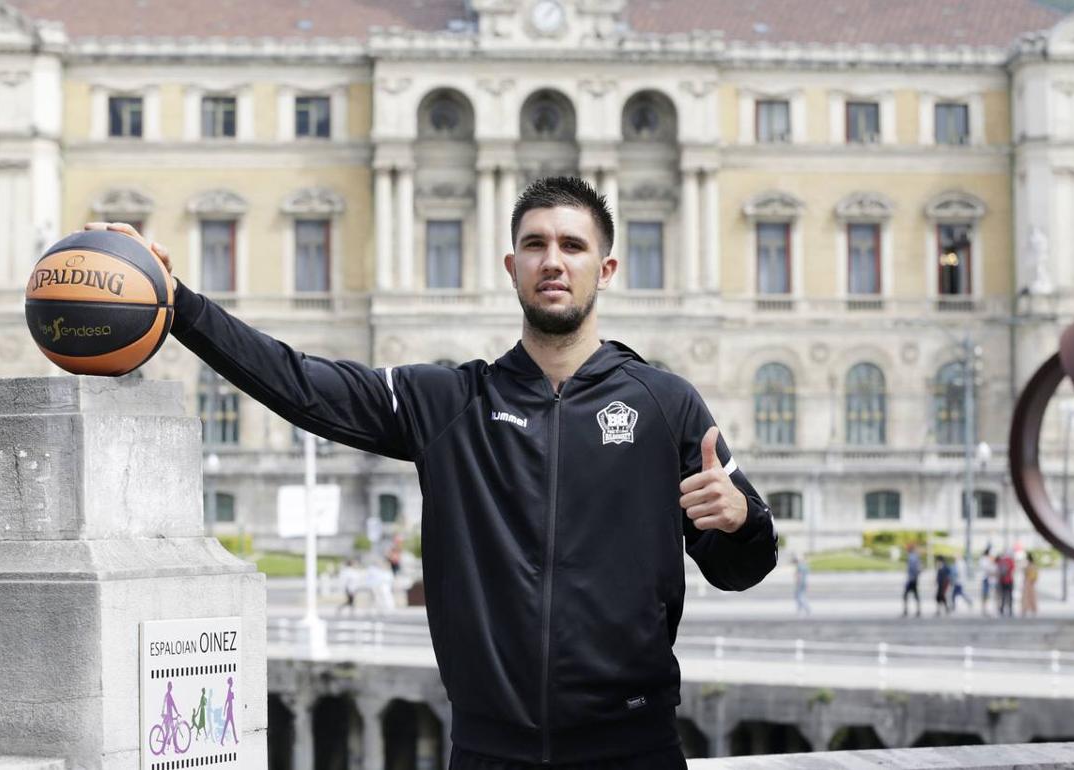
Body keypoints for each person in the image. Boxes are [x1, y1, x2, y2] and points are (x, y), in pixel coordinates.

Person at [86, 176, 778, 768]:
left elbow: (739, 567)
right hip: (488, 748)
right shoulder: (451, 402)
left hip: (634, 744)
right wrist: (177, 304)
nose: (553, 261)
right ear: (512, 267)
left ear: (607, 268)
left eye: (573, 245)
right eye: (535, 244)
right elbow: (300, 384)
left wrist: (744, 521)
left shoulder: (667, 405)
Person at [902, 543, 922, 618]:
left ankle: (907, 610)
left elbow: (914, 568)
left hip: (912, 579)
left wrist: (912, 577)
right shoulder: (915, 557)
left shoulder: (912, 557)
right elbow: (918, 568)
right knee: (915, 595)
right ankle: (917, 610)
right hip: (913, 578)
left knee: (906, 595)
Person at [997, 549, 1016, 617]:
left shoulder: (1001, 561)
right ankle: (1010, 610)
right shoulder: (1011, 561)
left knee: (1002, 596)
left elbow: (998, 569)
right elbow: (1013, 569)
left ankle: (1002, 609)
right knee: (1010, 596)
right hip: (1009, 580)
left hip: (1002, 580)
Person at [979, 545, 996, 616]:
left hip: (988, 578)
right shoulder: (984, 559)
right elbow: (987, 569)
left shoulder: (986, 559)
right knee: (985, 594)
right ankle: (984, 608)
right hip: (985, 578)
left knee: (986, 594)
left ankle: (985, 608)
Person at [1021, 553, 1039, 617]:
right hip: (1031, 583)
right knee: (1032, 597)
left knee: (1027, 597)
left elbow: (1026, 573)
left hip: (1028, 582)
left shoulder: (1029, 566)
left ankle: (1026, 609)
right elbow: (1036, 575)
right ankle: (1032, 609)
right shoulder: (1033, 566)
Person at [792, 553, 810, 617]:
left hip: (800, 583)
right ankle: (801, 609)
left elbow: (798, 575)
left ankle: (805, 608)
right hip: (804, 583)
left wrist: (797, 582)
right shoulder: (805, 566)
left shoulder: (799, 566)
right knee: (801, 596)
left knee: (798, 596)